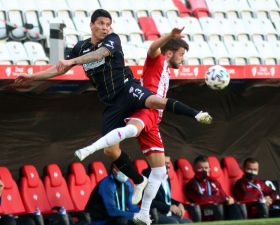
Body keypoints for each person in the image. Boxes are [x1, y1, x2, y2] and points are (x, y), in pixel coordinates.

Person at [15, 8, 212, 214]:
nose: (105, 28)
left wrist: (72, 61)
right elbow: (60, 68)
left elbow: (100, 54)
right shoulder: (80, 47)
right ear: (92, 25)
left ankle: (196, 114)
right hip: (111, 103)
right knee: (110, 150)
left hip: (127, 88)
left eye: (108, 24)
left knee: (154, 100)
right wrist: (33, 77)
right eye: (101, 24)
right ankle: (138, 180)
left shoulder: (112, 40)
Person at [73, 27, 209, 225]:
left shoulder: (166, 70)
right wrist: (170, 36)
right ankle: (89, 149)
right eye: (181, 54)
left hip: (156, 119)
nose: (182, 59)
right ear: (169, 53)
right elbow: (153, 47)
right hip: (146, 106)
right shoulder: (158, 60)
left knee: (160, 171)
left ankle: (144, 214)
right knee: (132, 130)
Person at [184, 155, 244, 221]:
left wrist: (229, 199)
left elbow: (223, 195)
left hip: (221, 207)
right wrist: (222, 199)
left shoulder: (213, 181)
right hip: (205, 211)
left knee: (234, 205)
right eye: (200, 168)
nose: (203, 171)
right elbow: (201, 199)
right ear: (194, 169)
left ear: (209, 169)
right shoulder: (191, 185)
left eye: (206, 168)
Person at [142, 156, 192, 224]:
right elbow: (148, 201)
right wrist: (168, 207)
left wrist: (178, 204)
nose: (167, 166)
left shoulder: (166, 177)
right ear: (155, 163)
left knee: (188, 222)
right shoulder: (148, 177)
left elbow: (165, 199)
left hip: (167, 213)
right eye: (164, 163)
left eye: (168, 163)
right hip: (154, 214)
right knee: (174, 223)